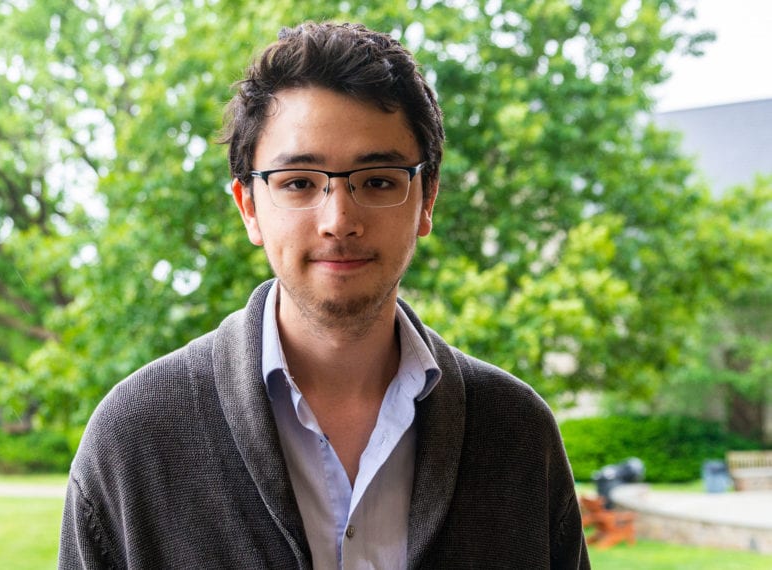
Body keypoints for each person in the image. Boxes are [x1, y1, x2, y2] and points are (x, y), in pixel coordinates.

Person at [59, 22, 589, 569]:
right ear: (248, 207)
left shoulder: (518, 434)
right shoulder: (134, 440)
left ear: (426, 198)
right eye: (298, 183)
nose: (339, 220)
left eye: (379, 180)